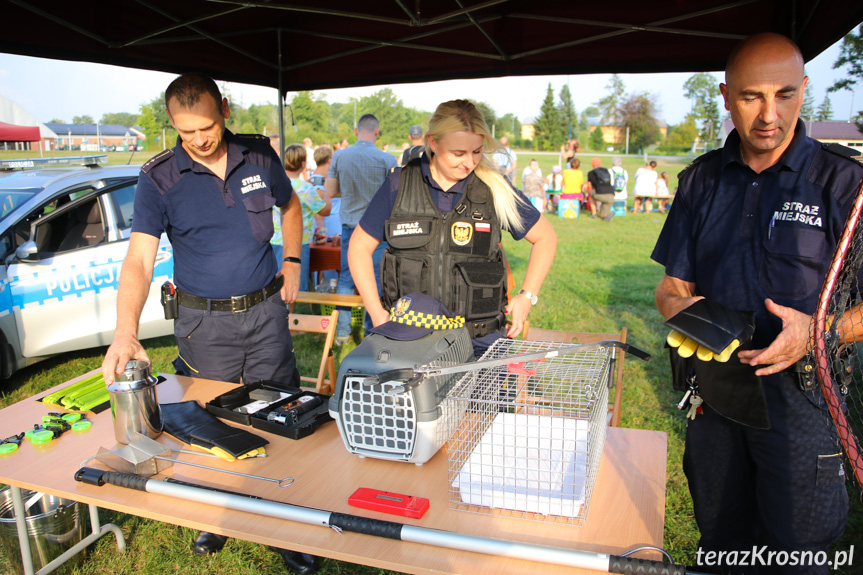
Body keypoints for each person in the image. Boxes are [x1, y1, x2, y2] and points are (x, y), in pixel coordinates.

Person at [652, 33, 863, 574]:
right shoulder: (700, 181)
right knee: (722, 543)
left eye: (786, 95)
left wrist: (823, 331)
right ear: (725, 95)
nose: (770, 115)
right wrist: (689, 315)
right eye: (751, 97)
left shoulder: (845, 183)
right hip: (718, 398)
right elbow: (669, 287)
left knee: (799, 556)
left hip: (805, 401)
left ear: (805, 90)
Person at [99, 73, 318, 575]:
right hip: (205, 324)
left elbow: (290, 207)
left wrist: (291, 261)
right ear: (173, 124)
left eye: (206, 127)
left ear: (224, 107)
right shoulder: (158, 177)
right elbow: (137, 260)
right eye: (185, 131)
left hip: (265, 315)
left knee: (280, 414)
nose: (198, 139)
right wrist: (125, 331)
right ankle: (222, 513)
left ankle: (289, 524)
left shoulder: (260, 156)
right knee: (212, 419)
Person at [347, 99, 556, 353]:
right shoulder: (399, 185)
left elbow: (545, 237)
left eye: (477, 151)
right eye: (459, 153)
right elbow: (358, 248)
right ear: (433, 142)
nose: (469, 162)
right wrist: (377, 314)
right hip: (410, 339)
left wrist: (527, 295)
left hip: (480, 341)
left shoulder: (493, 187)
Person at [325, 114, 397, 344]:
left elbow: (331, 191)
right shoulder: (387, 159)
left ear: (356, 131)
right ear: (377, 132)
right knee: (376, 280)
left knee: (346, 279)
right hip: (377, 231)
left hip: (349, 226)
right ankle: (371, 332)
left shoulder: (340, 155)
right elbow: (396, 196)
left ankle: (342, 333)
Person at [282, 144, 331, 293]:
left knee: (279, 284)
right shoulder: (306, 188)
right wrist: (327, 189)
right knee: (297, 287)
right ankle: (296, 314)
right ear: (303, 164)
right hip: (299, 242)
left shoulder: (275, 185)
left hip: (276, 241)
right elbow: (325, 211)